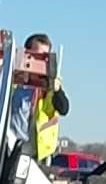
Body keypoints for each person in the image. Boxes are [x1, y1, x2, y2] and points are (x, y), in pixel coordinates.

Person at [9, 34, 70, 164]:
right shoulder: (13, 80)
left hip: (35, 153)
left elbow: (64, 109)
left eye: (45, 57)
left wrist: (57, 90)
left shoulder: (50, 86)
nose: (41, 62)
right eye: (37, 56)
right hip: (10, 146)